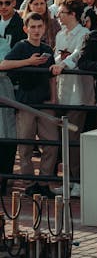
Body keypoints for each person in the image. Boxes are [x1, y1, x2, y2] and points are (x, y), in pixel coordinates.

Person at [0, 12, 56, 197]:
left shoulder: (48, 50)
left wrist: (54, 100)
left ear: (44, 28)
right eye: (32, 27)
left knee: (52, 144)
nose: (36, 30)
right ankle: (29, 183)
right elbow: (3, 64)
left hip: (45, 102)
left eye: (39, 27)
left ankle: (45, 183)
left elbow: (52, 78)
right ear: (26, 29)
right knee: (24, 146)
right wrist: (29, 62)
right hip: (25, 103)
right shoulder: (20, 46)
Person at [50, 0, 92, 196]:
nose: (58, 16)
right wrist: (60, 60)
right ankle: (68, 181)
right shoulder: (59, 35)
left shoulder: (85, 34)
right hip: (62, 91)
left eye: (62, 13)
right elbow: (57, 55)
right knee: (64, 139)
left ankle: (79, 182)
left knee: (74, 138)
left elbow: (76, 55)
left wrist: (63, 62)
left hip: (78, 94)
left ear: (72, 14)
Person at [0, 0, 25, 193]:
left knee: (9, 131)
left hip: (12, 83)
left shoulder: (20, 25)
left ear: (14, 3)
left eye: (7, 3)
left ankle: (5, 178)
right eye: (0, 3)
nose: (3, 7)